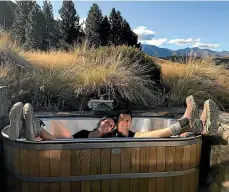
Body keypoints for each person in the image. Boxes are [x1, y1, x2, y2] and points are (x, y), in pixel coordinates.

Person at [8, 102, 116, 141]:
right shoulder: (84, 132)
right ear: (101, 121)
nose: (108, 125)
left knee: (61, 135)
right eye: (107, 122)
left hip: (74, 154)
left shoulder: (108, 140)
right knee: (58, 135)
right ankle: (25, 128)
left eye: (111, 126)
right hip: (67, 148)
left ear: (111, 130)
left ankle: (32, 128)